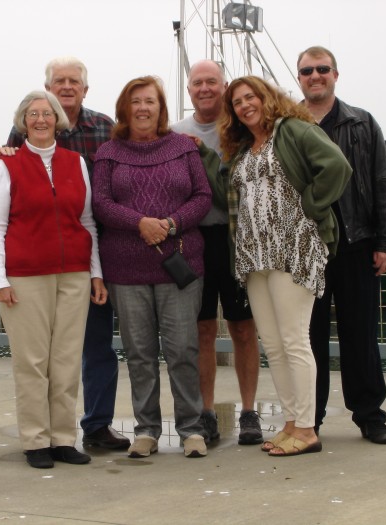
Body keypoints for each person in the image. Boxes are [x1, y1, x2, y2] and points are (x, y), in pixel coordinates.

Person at [218, 76, 351, 456]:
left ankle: (307, 429)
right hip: (254, 255)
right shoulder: (243, 147)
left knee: (295, 341)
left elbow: (336, 167)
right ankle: (291, 422)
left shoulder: (292, 130)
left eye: (250, 97)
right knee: (273, 345)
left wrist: (311, 206)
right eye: (237, 102)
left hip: (293, 249)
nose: (245, 106)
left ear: (266, 98)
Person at [7, 57, 129, 450]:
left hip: (90, 257)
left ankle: (95, 425)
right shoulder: (25, 127)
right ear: (46, 88)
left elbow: (129, 166)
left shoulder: (105, 129)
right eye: (58, 80)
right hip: (37, 263)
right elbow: (9, 183)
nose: (66, 86)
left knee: (96, 345)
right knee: (40, 357)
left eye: (73, 81)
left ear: (85, 89)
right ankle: (41, 437)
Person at [92, 76, 212, 458]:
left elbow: (202, 195)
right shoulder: (108, 152)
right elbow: (101, 203)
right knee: (139, 353)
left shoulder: (182, 148)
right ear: (125, 109)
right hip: (126, 270)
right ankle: (146, 430)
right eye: (136, 102)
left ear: (162, 108)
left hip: (179, 265)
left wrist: (171, 224)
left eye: (150, 101)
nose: (143, 108)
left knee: (182, 350)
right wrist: (139, 222)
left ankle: (192, 429)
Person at [0, 91, 105, 469]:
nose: (40, 119)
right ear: (24, 121)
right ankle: (35, 440)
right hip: (25, 276)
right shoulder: (8, 165)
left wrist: (95, 272)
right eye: (32, 114)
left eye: (47, 113)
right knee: (32, 361)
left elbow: (87, 222)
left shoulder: (77, 163)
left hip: (73, 273)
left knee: (67, 360)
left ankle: (63, 438)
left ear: (58, 120)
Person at [298, 46, 386, 444]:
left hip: (357, 243)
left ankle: (370, 415)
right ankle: (311, 418)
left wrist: (385, 241)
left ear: (335, 74)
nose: (315, 76)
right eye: (307, 71)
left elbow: (382, 182)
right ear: (299, 77)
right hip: (306, 248)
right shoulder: (287, 123)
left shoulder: (362, 122)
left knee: (361, 335)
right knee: (309, 338)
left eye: (322, 69)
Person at [172, 60, 262, 445]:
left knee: (244, 329)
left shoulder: (241, 127)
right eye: (197, 83)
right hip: (194, 242)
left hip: (236, 240)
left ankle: (248, 411)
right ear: (189, 89)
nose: (204, 88)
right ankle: (205, 412)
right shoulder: (175, 132)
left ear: (224, 86)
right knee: (202, 330)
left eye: (212, 82)